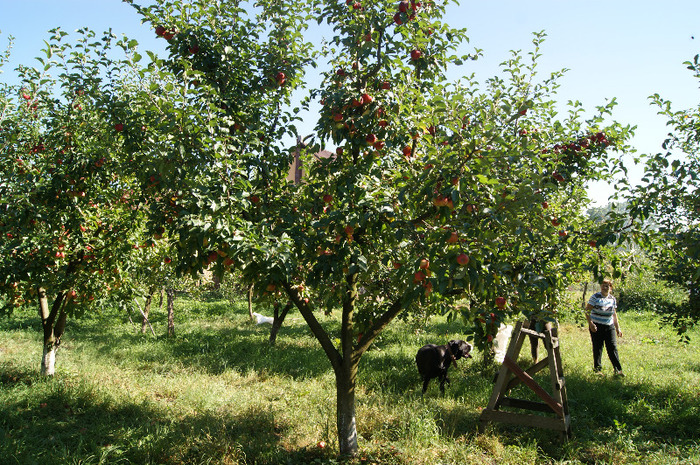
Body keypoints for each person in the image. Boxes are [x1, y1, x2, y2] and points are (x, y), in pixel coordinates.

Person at [585, 279, 624, 376]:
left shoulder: (612, 299)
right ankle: (598, 370)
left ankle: (618, 370)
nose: (605, 287)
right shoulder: (595, 297)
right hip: (596, 326)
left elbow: (614, 314)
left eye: (607, 286)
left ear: (610, 288)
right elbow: (587, 311)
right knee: (598, 347)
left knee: (612, 347)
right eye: (603, 285)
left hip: (609, 326)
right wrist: (591, 323)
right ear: (600, 287)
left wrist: (618, 328)